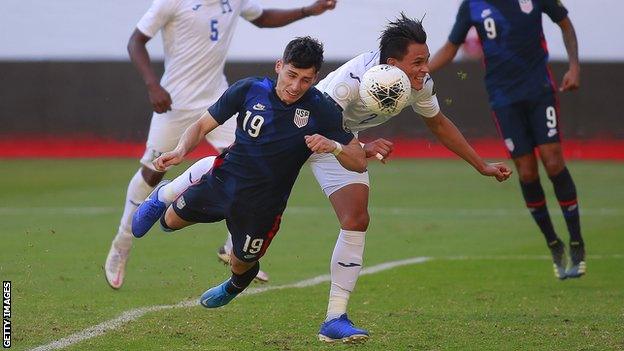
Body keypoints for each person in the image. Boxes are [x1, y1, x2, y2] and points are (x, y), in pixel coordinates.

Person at [166, 14, 512, 343]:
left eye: (425, 60)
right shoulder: (348, 85)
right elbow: (316, 120)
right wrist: (358, 145)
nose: (425, 68)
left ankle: (334, 319)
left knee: (356, 217)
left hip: (334, 142)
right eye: (418, 61)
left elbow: (437, 123)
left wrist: (479, 164)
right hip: (303, 128)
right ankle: (184, 185)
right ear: (392, 64)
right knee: (243, 172)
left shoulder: (417, 83)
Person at [105, 0, 338, 289]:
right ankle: (122, 244)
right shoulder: (173, 2)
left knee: (244, 157)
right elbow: (136, 41)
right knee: (152, 172)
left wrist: (307, 11)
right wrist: (153, 84)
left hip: (215, 94)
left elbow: (263, 18)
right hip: (174, 101)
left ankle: (233, 246)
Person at [131, 37, 366, 321]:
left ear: (315, 78)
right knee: (168, 223)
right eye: (291, 75)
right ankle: (163, 194)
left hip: (264, 206)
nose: (295, 86)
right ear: (279, 66)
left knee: (241, 264)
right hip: (221, 183)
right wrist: (180, 150)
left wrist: (334, 147)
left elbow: (357, 161)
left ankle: (234, 286)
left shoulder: (321, 107)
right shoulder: (249, 89)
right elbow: (202, 125)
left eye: (305, 80)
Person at [429, 0, 585, 280]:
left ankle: (576, 242)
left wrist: (574, 66)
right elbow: (451, 47)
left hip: (540, 91)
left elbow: (565, 23)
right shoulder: (472, 6)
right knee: (526, 171)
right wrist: (420, 70)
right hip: (503, 99)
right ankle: (553, 243)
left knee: (552, 162)